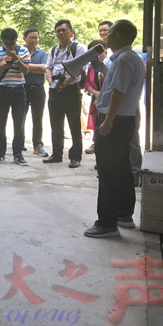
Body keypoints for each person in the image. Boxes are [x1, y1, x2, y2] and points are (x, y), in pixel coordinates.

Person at [84, 20, 144, 238]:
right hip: (125, 120)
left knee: (107, 171)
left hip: (115, 121)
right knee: (122, 168)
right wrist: (102, 68)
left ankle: (107, 223)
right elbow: (118, 85)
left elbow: (118, 93)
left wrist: (107, 121)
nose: (105, 36)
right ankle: (124, 214)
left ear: (117, 36)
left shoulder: (123, 60)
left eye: (109, 33)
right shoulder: (130, 58)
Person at [44, 19, 87, 168]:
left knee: (74, 124)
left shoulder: (79, 48)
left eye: (64, 30)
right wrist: (52, 83)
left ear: (71, 32)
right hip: (55, 90)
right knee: (55, 124)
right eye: (58, 31)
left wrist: (65, 83)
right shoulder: (53, 50)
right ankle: (56, 154)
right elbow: (48, 68)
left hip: (71, 90)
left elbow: (80, 69)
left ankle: (75, 157)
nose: (61, 33)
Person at [0, 28, 31, 165]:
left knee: (19, 125)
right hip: (2, 91)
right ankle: (0, 153)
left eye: (12, 43)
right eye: (7, 44)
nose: (9, 46)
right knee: (0, 124)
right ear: (2, 41)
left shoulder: (23, 51)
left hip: (19, 91)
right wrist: (3, 66)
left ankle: (18, 154)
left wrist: (16, 58)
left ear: (16, 40)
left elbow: (26, 70)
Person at [22, 28, 49, 157]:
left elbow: (44, 68)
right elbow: (20, 68)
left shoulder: (42, 53)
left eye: (36, 38)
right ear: (24, 39)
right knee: (20, 117)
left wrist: (26, 67)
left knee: (38, 118)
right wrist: (35, 68)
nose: (34, 40)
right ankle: (19, 143)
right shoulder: (20, 52)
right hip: (22, 89)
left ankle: (37, 145)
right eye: (31, 37)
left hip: (38, 89)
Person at [84, 39, 108, 155]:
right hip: (96, 99)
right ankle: (96, 143)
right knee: (97, 123)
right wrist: (96, 93)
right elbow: (87, 83)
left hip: (108, 101)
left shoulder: (110, 64)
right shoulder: (90, 67)